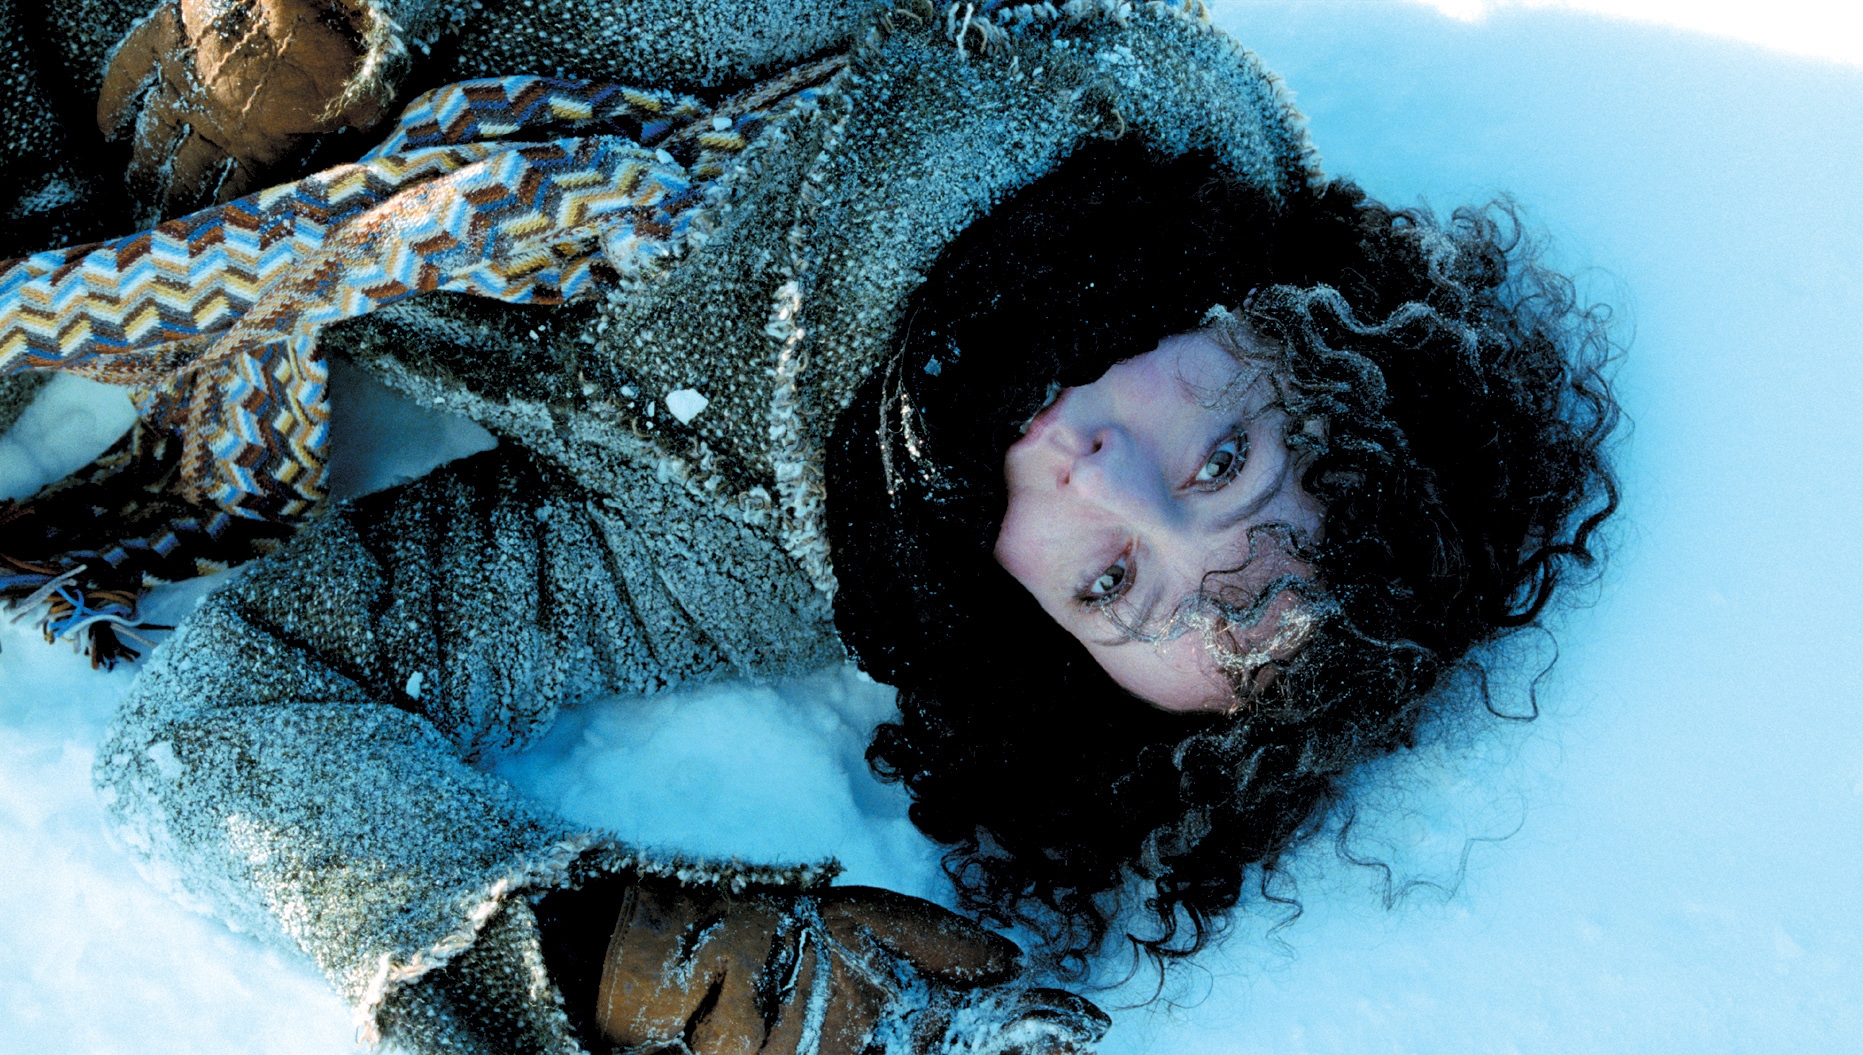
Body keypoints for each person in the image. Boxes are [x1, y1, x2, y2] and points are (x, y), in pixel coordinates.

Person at [0, 0, 1619, 1050]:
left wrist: (588, 962)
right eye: (1225, 460)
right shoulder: (1058, 53)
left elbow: (235, 719)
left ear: (1031, 644)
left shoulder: (734, 556)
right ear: (1288, 337)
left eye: (1115, 582)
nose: (1100, 471)